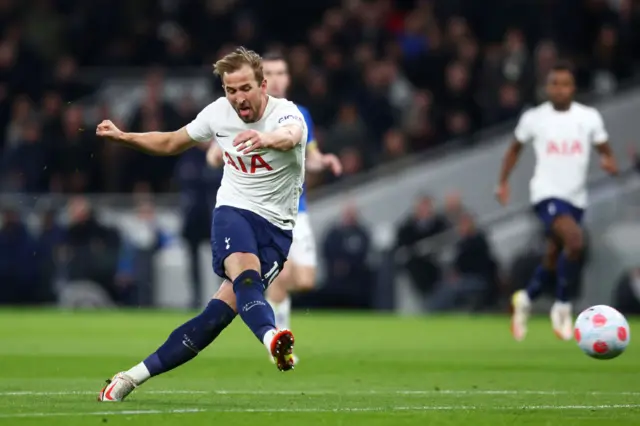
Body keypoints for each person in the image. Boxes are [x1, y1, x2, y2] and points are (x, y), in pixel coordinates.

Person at [95, 47, 308, 402]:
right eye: (230, 90)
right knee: (246, 277)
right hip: (233, 211)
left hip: (276, 228)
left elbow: (287, 138)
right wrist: (125, 137)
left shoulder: (286, 115)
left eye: (244, 88)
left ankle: (130, 377)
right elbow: (171, 141)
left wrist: (263, 138)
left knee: (214, 319)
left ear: (263, 85)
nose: (238, 98)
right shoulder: (218, 114)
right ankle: (272, 338)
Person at [207, 52, 342, 362]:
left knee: (305, 279)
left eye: (283, 72)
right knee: (278, 275)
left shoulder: (298, 114)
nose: (279, 77)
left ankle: (260, 298)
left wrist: (325, 160)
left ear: (288, 78)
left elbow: (311, 153)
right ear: (261, 80)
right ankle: (277, 338)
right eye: (272, 72)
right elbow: (219, 149)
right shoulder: (240, 115)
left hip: (297, 210)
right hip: (260, 212)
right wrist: (216, 155)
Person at [496, 62, 618, 342]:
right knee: (575, 241)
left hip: (576, 197)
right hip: (546, 194)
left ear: (573, 88)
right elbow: (514, 149)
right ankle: (562, 308)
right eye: (555, 84)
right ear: (547, 87)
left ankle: (525, 300)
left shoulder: (589, 117)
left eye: (565, 84)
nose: (560, 89)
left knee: (554, 254)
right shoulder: (534, 118)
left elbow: (603, 147)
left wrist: (608, 159)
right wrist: (502, 182)